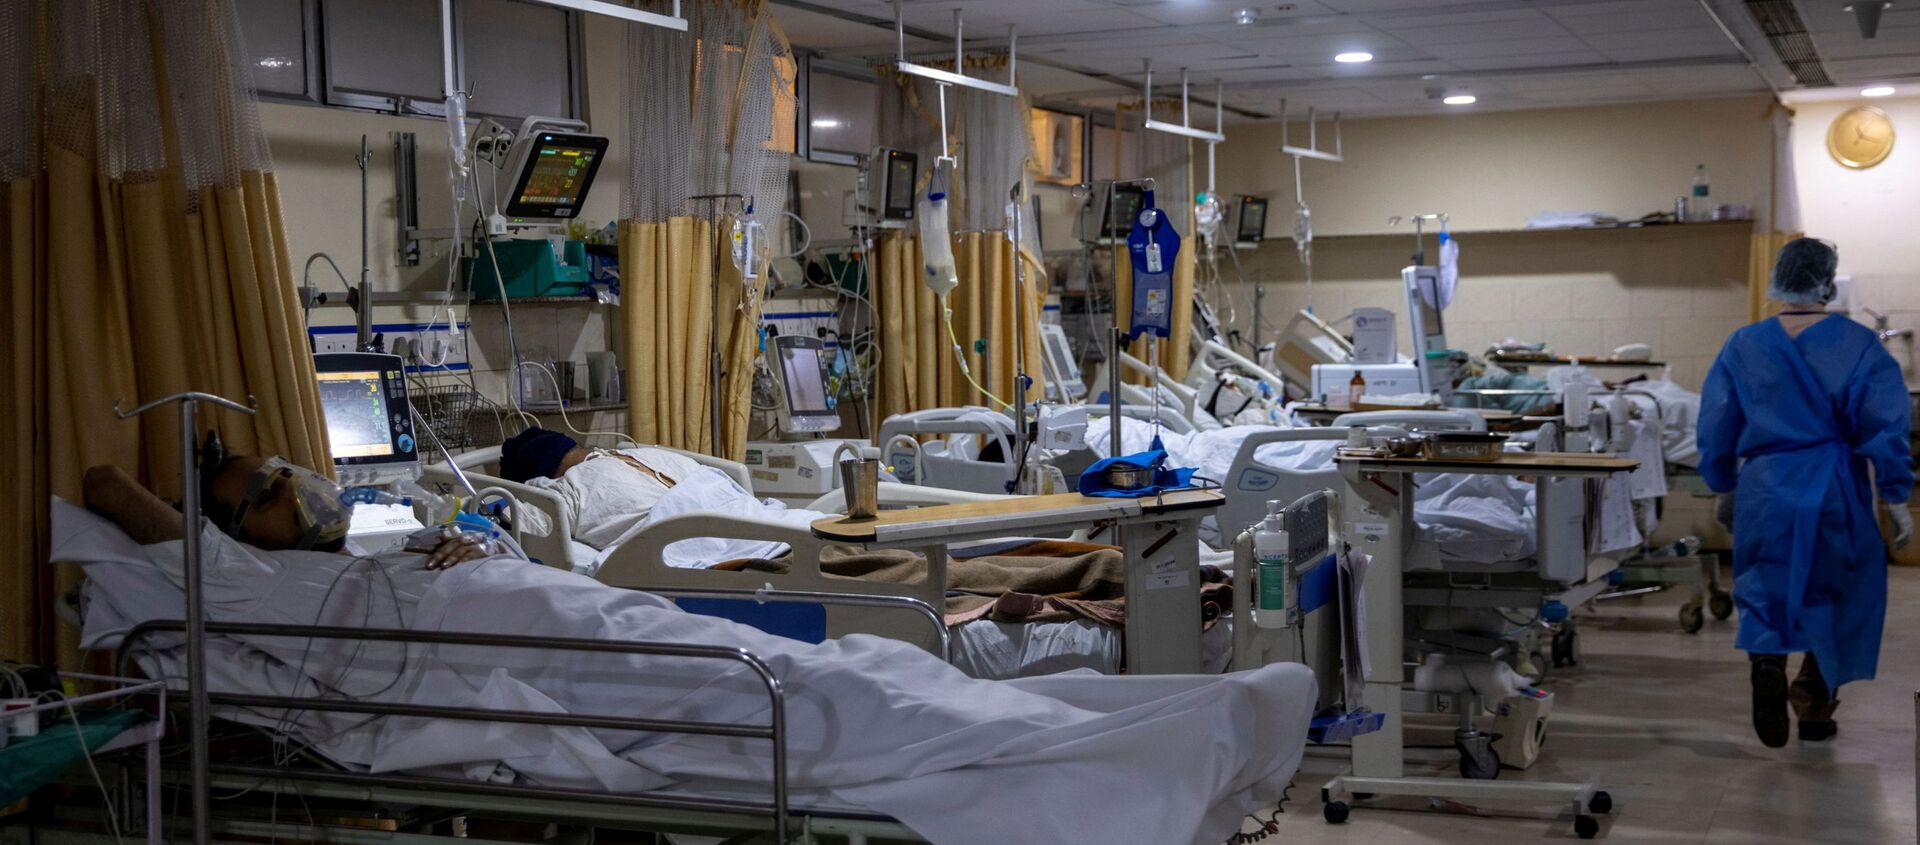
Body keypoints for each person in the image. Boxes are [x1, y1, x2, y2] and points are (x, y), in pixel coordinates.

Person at [1698, 237, 1914, 748]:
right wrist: (1897, 497)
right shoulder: (1859, 344)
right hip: (1833, 484)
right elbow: (1886, 427)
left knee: (1764, 586)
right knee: (1839, 593)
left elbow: (1716, 423)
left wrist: (1723, 484)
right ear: (1827, 280)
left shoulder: (1743, 344)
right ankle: (1815, 705)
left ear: (1779, 277)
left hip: (1765, 484)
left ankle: (1768, 661)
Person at [83, 435, 495, 569]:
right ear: (238, 539)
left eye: (289, 474)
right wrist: (182, 516)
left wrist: (479, 553)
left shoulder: (377, 558)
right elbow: (105, 483)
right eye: (268, 497)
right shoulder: (255, 579)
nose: (300, 490)